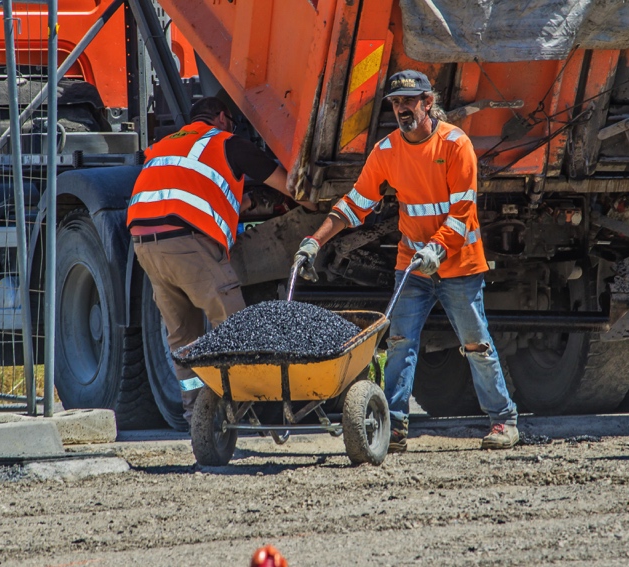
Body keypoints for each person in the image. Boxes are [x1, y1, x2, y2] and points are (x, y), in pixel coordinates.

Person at [293, 70, 519, 451]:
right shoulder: (386, 151)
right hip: (413, 265)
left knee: (475, 343)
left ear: (428, 103)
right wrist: (315, 241)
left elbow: (463, 211)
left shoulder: (455, 144)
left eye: (409, 101)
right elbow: (355, 204)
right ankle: (393, 427)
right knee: (399, 341)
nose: (401, 109)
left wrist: (438, 248)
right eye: (396, 103)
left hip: (457, 264)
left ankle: (503, 421)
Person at [127, 96, 299, 426]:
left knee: (182, 337)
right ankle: (243, 409)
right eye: (232, 123)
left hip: (145, 245)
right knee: (234, 326)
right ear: (222, 118)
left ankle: (196, 415)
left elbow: (202, 193)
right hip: (187, 243)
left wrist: (246, 202)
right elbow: (291, 186)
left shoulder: (166, 145)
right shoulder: (226, 143)